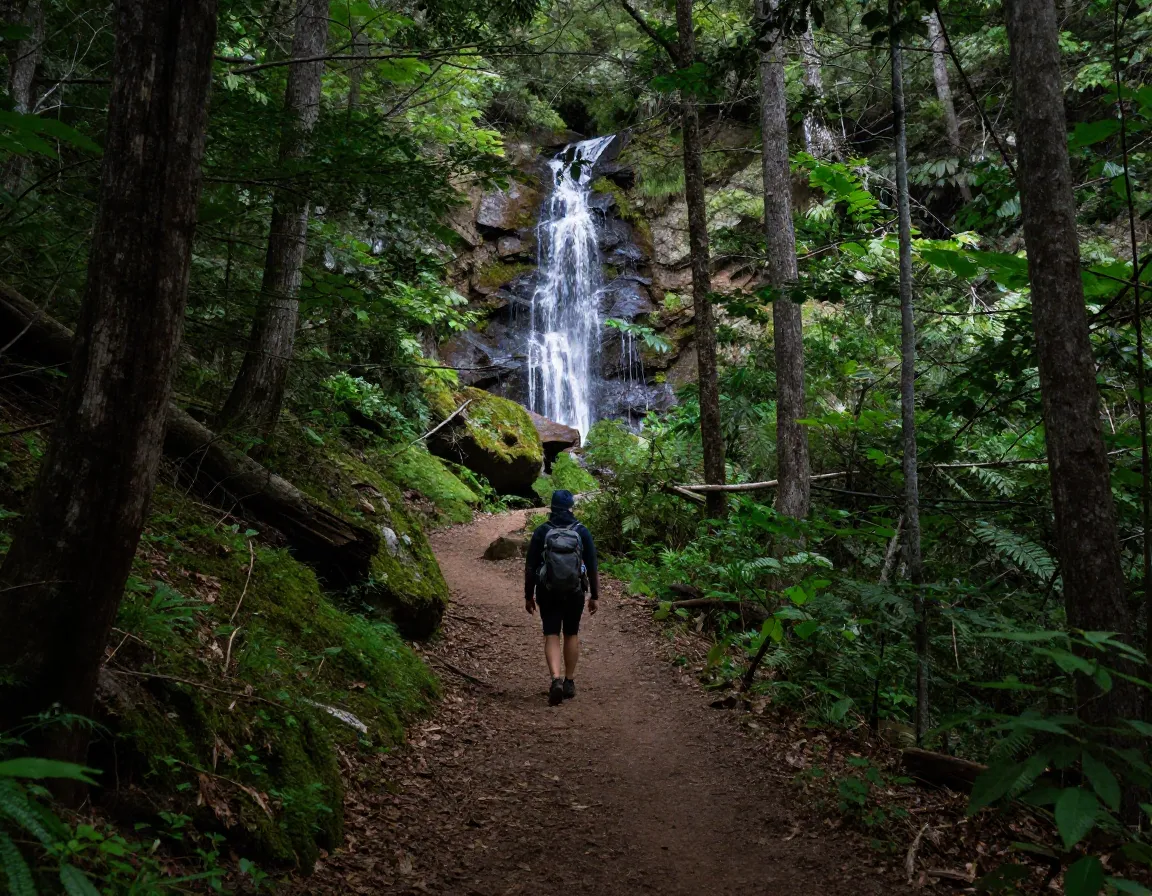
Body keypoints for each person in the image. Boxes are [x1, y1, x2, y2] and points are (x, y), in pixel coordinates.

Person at [524, 489, 599, 706]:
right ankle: (569, 681)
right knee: (571, 633)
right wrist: (594, 595)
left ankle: (555, 678)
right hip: (575, 591)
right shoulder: (582, 531)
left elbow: (530, 568)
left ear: (552, 507)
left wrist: (528, 596)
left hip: (547, 590)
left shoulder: (541, 532)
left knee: (551, 633)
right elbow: (592, 567)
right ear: (570, 507)